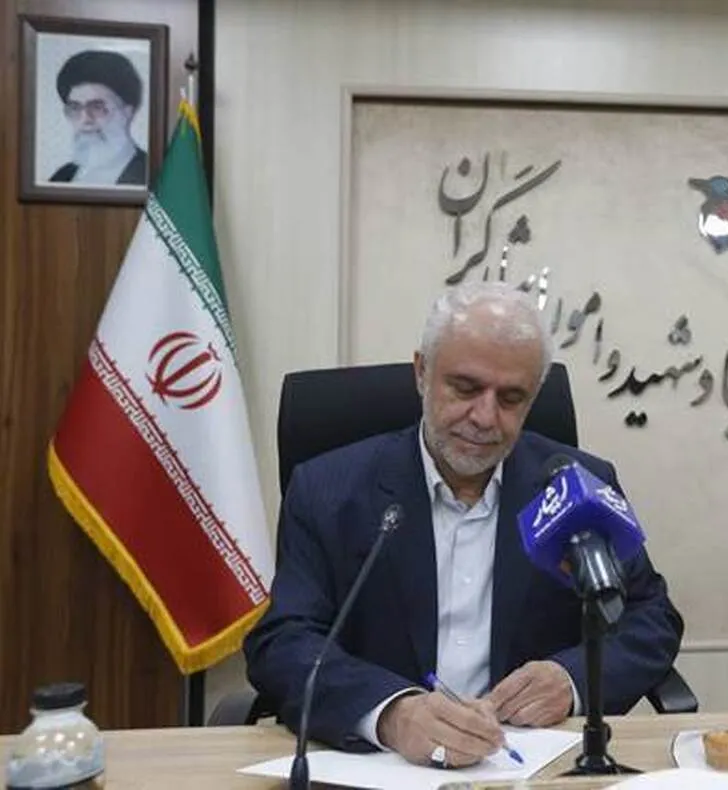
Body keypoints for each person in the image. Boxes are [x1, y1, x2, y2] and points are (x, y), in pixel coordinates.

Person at [244, 282, 684, 768]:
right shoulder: (328, 491)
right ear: (421, 373)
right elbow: (283, 642)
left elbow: (651, 618)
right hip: (383, 765)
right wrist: (390, 712)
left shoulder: (574, 488)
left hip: (528, 764)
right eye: (466, 388)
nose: (485, 417)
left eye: (511, 398)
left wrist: (571, 680)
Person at [48, 50, 147, 186]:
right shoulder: (63, 177)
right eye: (75, 108)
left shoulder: (152, 175)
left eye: (97, 107)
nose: (85, 120)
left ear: (127, 112)